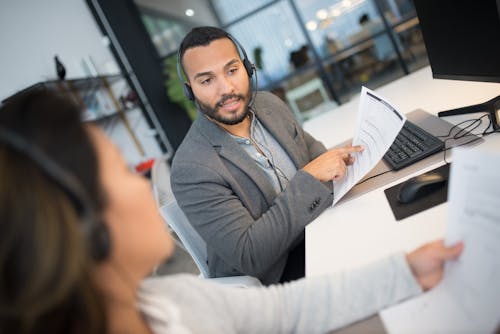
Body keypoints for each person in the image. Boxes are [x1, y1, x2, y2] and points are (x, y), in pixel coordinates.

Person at [0, 87, 463, 334]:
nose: (147, 190)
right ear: (82, 227)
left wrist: (405, 271)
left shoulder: (173, 303)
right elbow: (255, 257)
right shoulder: (194, 164)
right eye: (124, 172)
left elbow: (282, 312)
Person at [170, 26, 363, 284]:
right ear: (189, 90)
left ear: (247, 68)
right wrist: (309, 177)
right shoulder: (191, 167)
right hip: (276, 274)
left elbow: (312, 151)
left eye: (232, 70)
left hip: (319, 227)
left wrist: (341, 159)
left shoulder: (268, 104)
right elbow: (250, 254)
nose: (226, 88)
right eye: (206, 80)